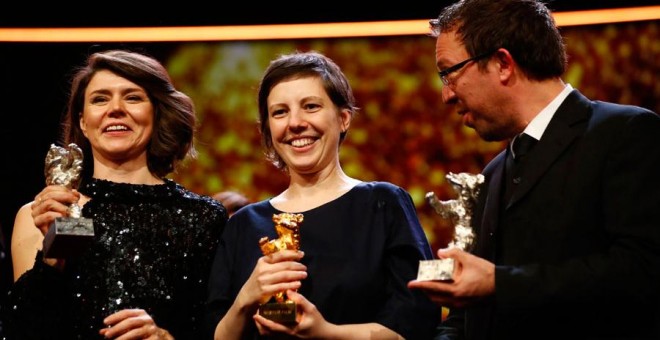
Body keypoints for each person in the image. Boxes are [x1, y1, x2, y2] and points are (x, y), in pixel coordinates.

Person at [407, 0, 660, 339]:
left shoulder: (627, 133)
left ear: (502, 63)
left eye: (449, 72)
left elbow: (643, 271)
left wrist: (500, 283)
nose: (446, 95)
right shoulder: (493, 174)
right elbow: (465, 317)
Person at [204, 51, 440, 339]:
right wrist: (246, 298)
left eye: (311, 106)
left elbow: (417, 325)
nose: (295, 123)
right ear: (268, 130)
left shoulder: (384, 205)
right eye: (280, 112)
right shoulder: (242, 225)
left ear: (343, 119)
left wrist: (326, 332)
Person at [5, 49, 228, 339]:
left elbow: (219, 330)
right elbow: (21, 332)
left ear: (157, 113)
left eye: (132, 97)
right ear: (83, 122)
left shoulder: (205, 218)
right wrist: (52, 256)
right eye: (100, 99)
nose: (115, 109)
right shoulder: (43, 214)